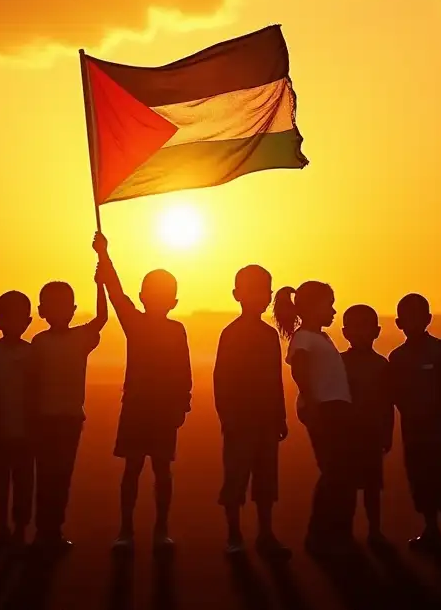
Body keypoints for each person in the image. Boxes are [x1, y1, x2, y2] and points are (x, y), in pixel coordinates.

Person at [94, 232, 192, 554]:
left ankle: (160, 529)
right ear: (142, 296)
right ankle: (126, 529)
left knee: (162, 470)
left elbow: (184, 372)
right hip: (136, 407)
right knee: (133, 469)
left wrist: (183, 405)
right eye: (152, 293)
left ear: (173, 302)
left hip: (162, 410)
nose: (158, 299)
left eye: (164, 295)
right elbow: (115, 293)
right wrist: (104, 256)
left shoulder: (177, 330)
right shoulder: (133, 323)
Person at [30, 260, 108, 554]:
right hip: (44, 419)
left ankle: (53, 530)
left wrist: (100, 284)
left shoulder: (80, 338)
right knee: (47, 475)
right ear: (42, 312)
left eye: (64, 305)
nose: (60, 311)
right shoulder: (39, 342)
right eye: (53, 305)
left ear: (73, 310)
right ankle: (43, 531)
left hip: (69, 419)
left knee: (61, 476)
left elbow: (102, 317)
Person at [273, 281, 355, 558]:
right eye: (328, 305)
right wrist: (313, 403)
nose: (333, 311)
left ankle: (336, 532)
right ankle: (319, 535)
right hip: (325, 409)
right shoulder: (304, 338)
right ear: (310, 308)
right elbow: (301, 372)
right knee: (334, 473)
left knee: (341, 473)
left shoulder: (321, 338)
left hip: (336, 409)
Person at [213, 265, 290, 558]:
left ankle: (265, 533)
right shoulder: (230, 334)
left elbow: (275, 378)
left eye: (264, 291)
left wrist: (280, 415)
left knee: (266, 479)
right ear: (237, 295)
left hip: (266, 419)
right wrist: (227, 416)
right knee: (236, 477)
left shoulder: (270, 336)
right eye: (253, 290)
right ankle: (234, 535)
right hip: (240, 420)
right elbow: (221, 379)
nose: (260, 297)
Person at [387, 293, 441, 550]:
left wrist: (431, 409)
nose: (413, 322)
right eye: (407, 318)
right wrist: (411, 410)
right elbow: (394, 393)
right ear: (398, 323)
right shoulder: (396, 357)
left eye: (418, 316)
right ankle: (430, 528)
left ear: (428, 319)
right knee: (419, 481)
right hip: (414, 433)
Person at [340, 304, 394, 547]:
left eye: (366, 328)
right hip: (346, 435)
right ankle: (346, 532)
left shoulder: (382, 365)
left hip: (372, 434)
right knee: (347, 488)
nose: (361, 334)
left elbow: (387, 403)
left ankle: (374, 530)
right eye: (356, 328)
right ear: (345, 332)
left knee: (372, 488)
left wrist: (387, 433)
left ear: (377, 331)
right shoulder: (338, 363)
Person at [0, 290, 36, 549]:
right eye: (8, 317)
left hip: (26, 434)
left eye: (19, 318)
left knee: (23, 484)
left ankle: (18, 529)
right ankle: (3, 526)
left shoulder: (34, 354)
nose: (14, 323)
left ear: (27, 322)